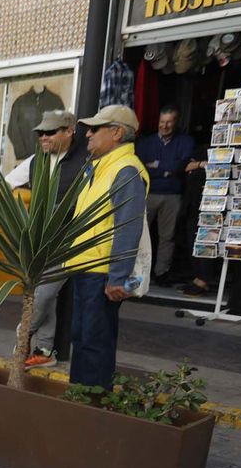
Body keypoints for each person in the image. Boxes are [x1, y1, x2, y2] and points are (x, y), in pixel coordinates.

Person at [67, 105, 148, 388]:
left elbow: (127, 226)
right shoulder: (101, 167)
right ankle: (80, 396)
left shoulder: (125, 169)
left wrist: (118, 276)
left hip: (101, 271)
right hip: (87, 266)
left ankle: (91, 401)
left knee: (94, 341)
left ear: (116, 133)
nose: (87, 134)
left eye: (95, 128)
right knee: (83, 337)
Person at [20, 110, 91, 368]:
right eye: (40, 133)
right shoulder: (37, 160)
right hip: (39, 237)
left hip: (68, 240)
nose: (43, 137)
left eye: (50, 132)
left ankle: (22, 335)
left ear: (69, 131)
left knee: (42, 294)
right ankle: (45, 349)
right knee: (43, 294)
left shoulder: (85, 159)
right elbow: (6, 183)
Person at [135, 108, 199, 284]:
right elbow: (141, 169)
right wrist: (170, 169)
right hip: (148, 193)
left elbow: (183, 165)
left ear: (176, 122)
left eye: (169, 122)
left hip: (173, 195)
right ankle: (137, 273)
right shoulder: (145, 143)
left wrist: (157, 165)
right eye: (162, 122)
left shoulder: (185, 141)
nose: (165, 126)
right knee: (139, 235)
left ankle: (161, 272)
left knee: (167, 236)